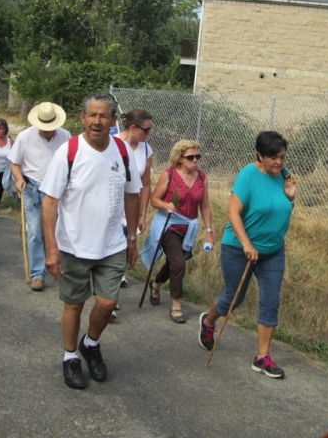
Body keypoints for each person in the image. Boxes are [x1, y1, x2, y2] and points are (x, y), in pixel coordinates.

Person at [41, 92, 141, 389]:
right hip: (73, 245)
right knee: (74, 305)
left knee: (108, 302)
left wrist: (132, 238)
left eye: (104, 116)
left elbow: (132, 195)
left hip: (112, 244)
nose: (97, 121)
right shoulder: (69, 152)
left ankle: (91, 343)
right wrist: (51, 249)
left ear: (113, 120)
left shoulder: (122, 151)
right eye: (92, 115)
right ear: (82, 118)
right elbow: (49, 203)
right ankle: (70, 356)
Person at [197, 131, 296, 380]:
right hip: (239, 248)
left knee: (271, 301)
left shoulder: (283, 177)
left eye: (282, 157)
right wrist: (246, 244)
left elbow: (279, 209)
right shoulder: (248, 176)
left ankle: (262, 357)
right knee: (234, 298)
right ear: (259, 155)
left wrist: (290, 198)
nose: (279, 162)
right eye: (273, 157)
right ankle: (209, 322)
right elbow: (233, 213)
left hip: (272, 251)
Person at [146, 139, 213, 324]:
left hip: (189, 228)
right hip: (169, 226)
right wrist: (166, 205)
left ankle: (156, 283)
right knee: (179, 264)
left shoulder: (202, 177)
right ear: (180, 158)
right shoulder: (169, 175)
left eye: (197, 156)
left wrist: (209, 231)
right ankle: (176, 304)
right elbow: (154, 200)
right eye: (190, 157)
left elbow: (205, 207)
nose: (195, 160)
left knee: (175, 263)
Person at [8, 102, 71, 291]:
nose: (47, 131)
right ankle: (37, 274)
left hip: (57, 190)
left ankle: (59, 268)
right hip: (32, 186)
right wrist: (18, 178)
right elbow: (14, 162)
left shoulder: (65, 136)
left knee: (57, 231)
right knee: (35, 231)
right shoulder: (25, 137)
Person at [114, 108, 154, 307]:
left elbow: (145, 184)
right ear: (133, 128)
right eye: (146, 130)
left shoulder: (146, 150)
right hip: (111, 205)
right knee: (113, 248)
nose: (148, 134)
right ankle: (109, 299)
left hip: (131, 206)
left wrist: (142, 213)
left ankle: (112, 288)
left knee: (124, 247)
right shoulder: (113, 144)